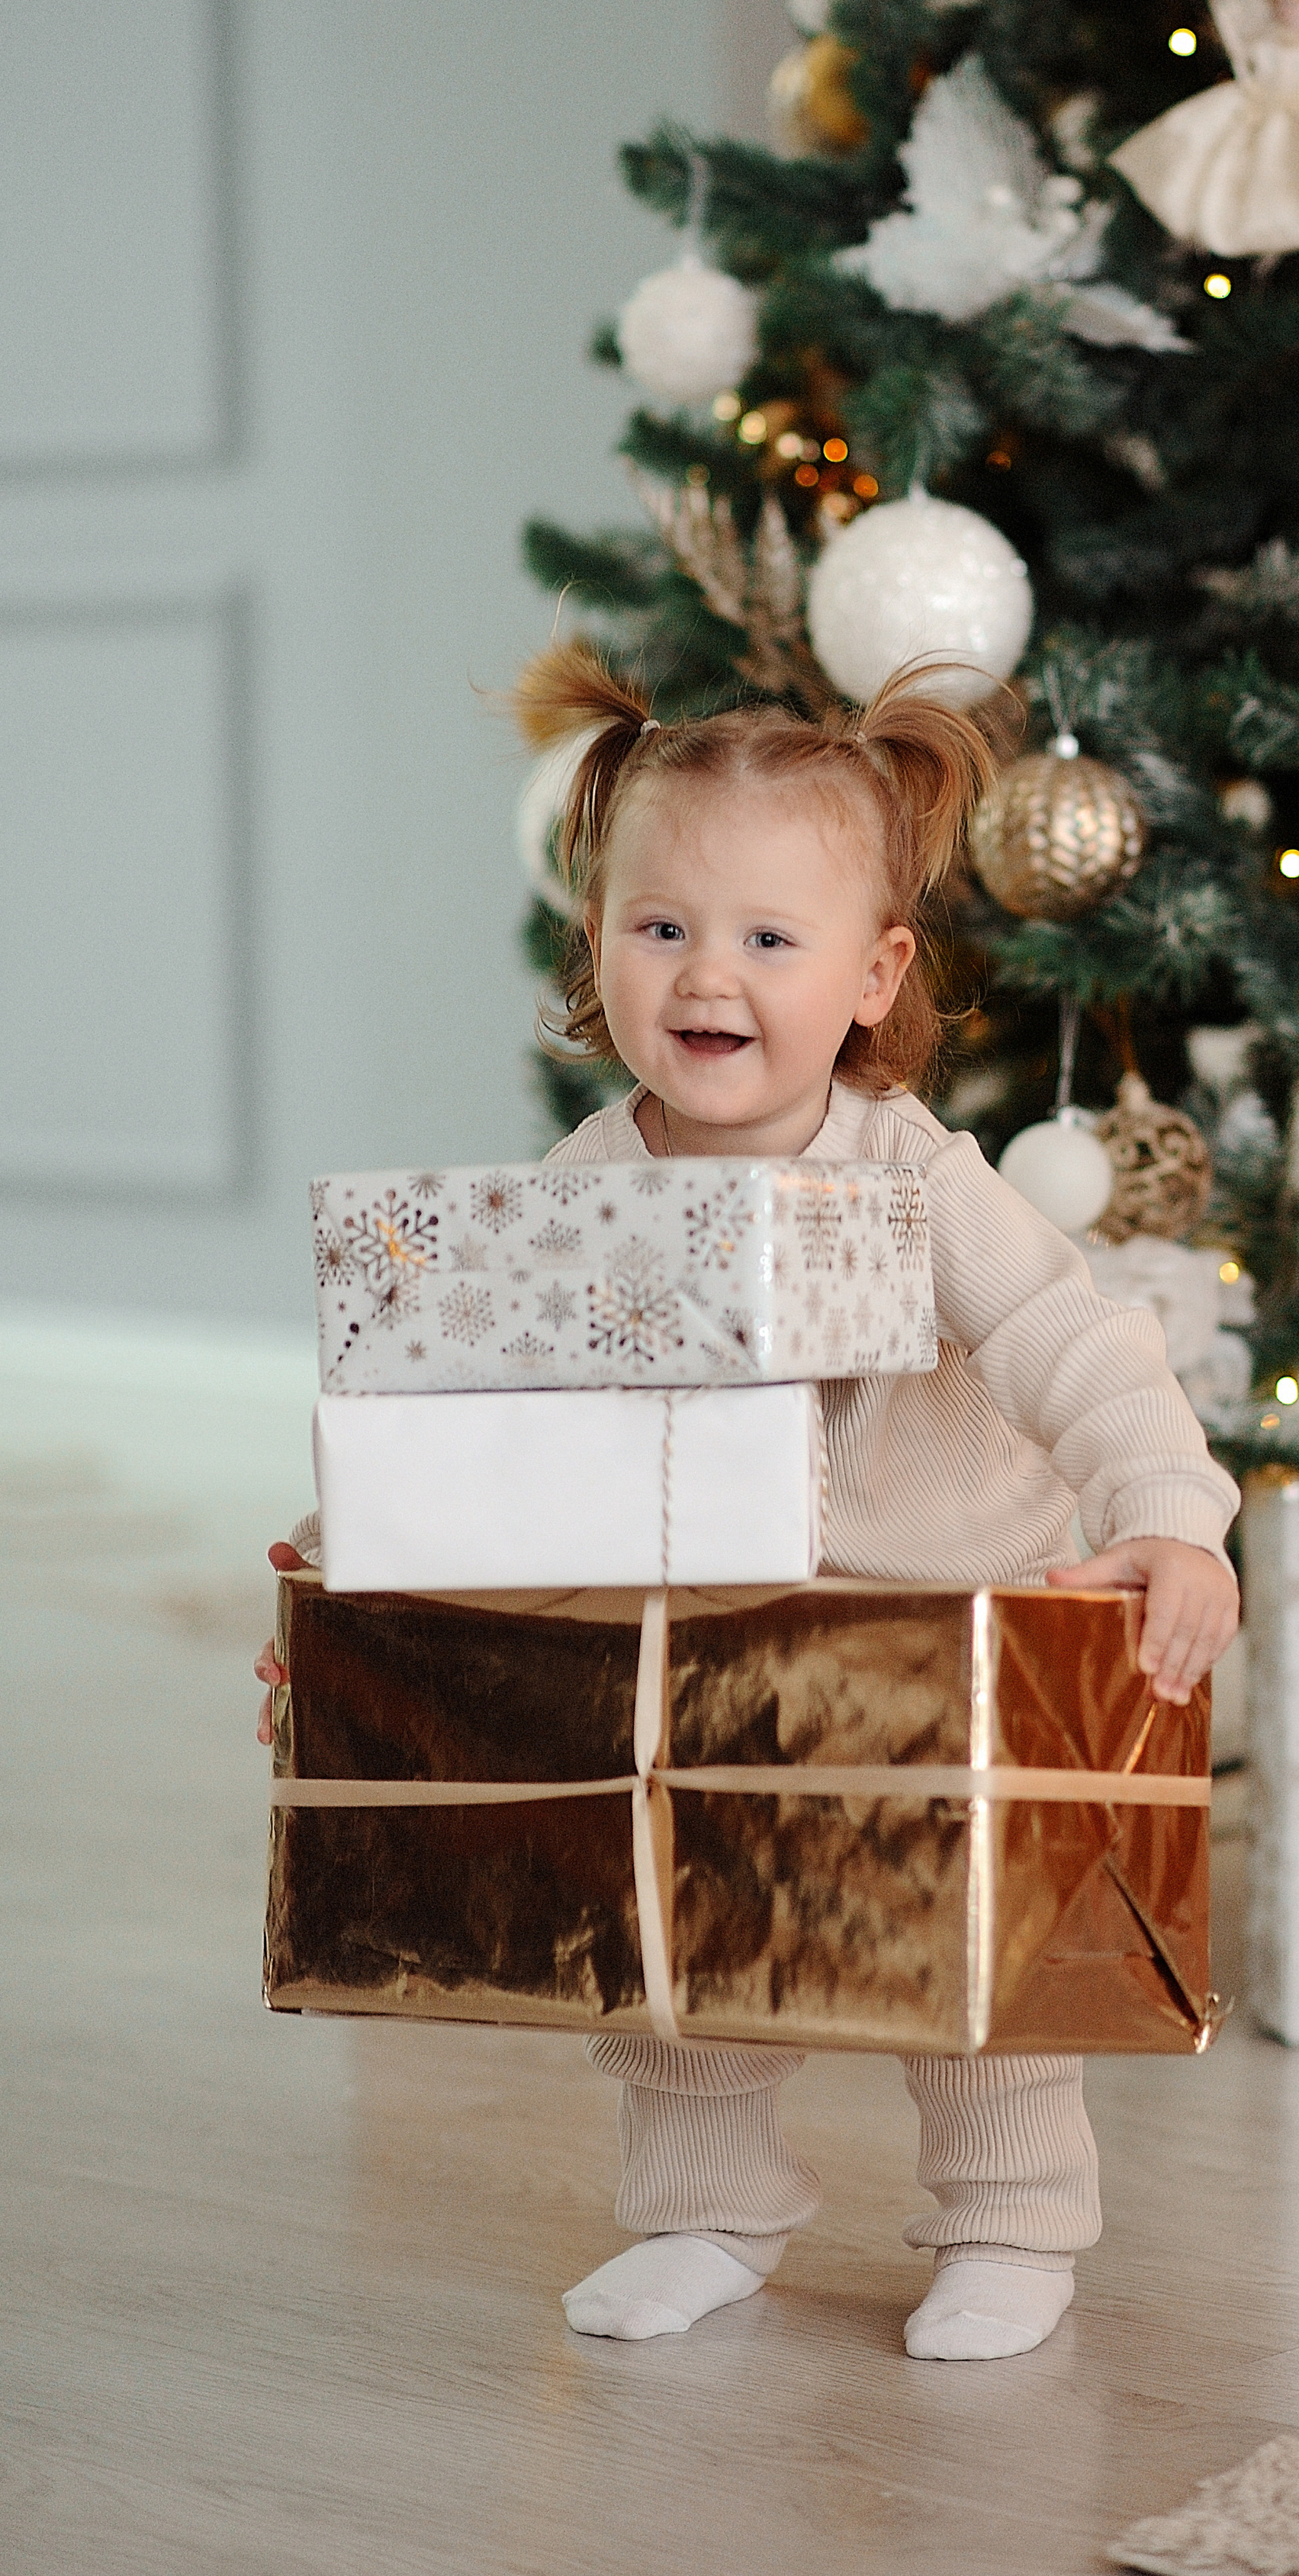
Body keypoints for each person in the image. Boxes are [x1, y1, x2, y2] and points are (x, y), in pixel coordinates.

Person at [257, 641, 1240, 2364]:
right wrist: (351, 1602)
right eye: (661, 928)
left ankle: (1010, 2227)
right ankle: (706, 2211)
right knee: (674, 1945)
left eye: (767, 939)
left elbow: (1065, 1337)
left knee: (978, 1966)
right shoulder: (587, 1190)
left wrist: (1164, 1506)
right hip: (706, 1626)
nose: (707, 972)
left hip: (940, 1620)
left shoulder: (913, 1173)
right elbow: (462, 1412)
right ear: (600, 947)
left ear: (872, 974)